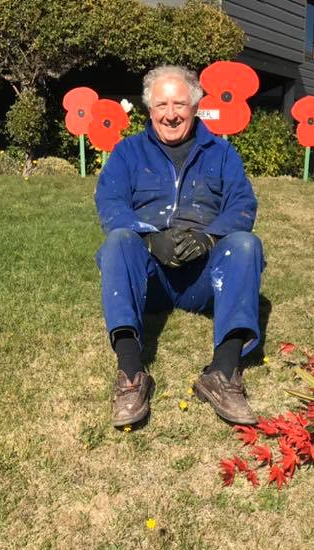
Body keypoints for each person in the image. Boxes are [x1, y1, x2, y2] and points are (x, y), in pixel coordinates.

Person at [94, 64, 265, 429]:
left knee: (246, 245)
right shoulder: (127, 153)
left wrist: (210, 237)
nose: (170, 115)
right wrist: (148, 236)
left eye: (179, 104)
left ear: (195, 106)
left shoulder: (221, 152)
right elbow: (110, 203)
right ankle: (130, 372)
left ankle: (222, 372)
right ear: (150, 110)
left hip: (204, 279)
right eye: (161, 105)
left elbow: (242, 204)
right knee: (118, 241)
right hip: (149, 280)